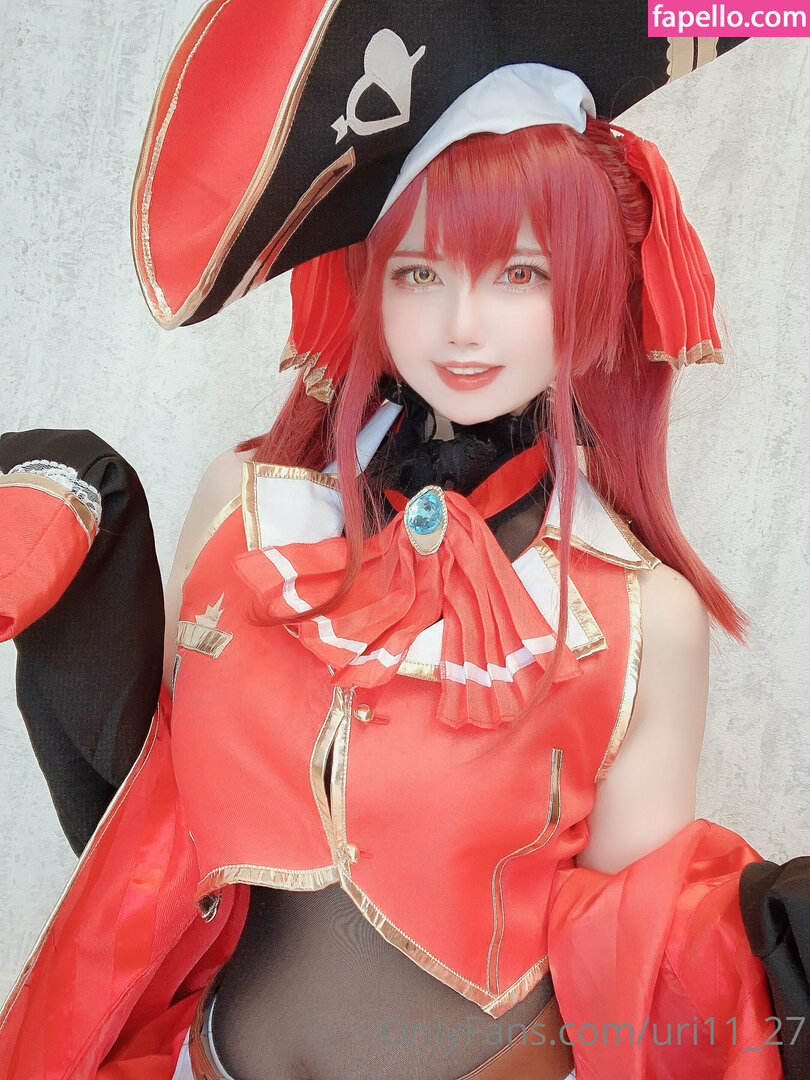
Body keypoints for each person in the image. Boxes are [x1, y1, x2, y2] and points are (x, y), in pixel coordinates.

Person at [0, 4, 787, 1079]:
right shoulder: (247, 515)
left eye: (519, 274)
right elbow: (155, 824)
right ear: (369, 279)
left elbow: (635, 948)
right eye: (420, 272)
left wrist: (769, 949)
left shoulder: (642, 615)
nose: (463, 325)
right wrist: (77, 583)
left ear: (594, 289)